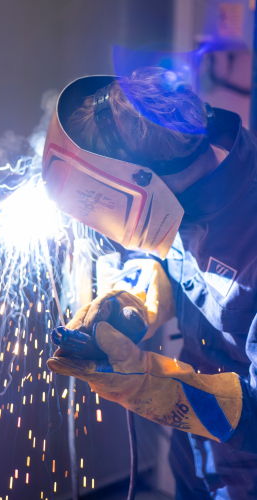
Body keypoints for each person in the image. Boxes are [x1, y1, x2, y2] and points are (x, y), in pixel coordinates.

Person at [44, 67, 257, 500]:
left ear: (141, 181)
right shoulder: (183, 195)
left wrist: (149, 386)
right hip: (193, 461)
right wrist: (132, 301)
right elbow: (164, 255)